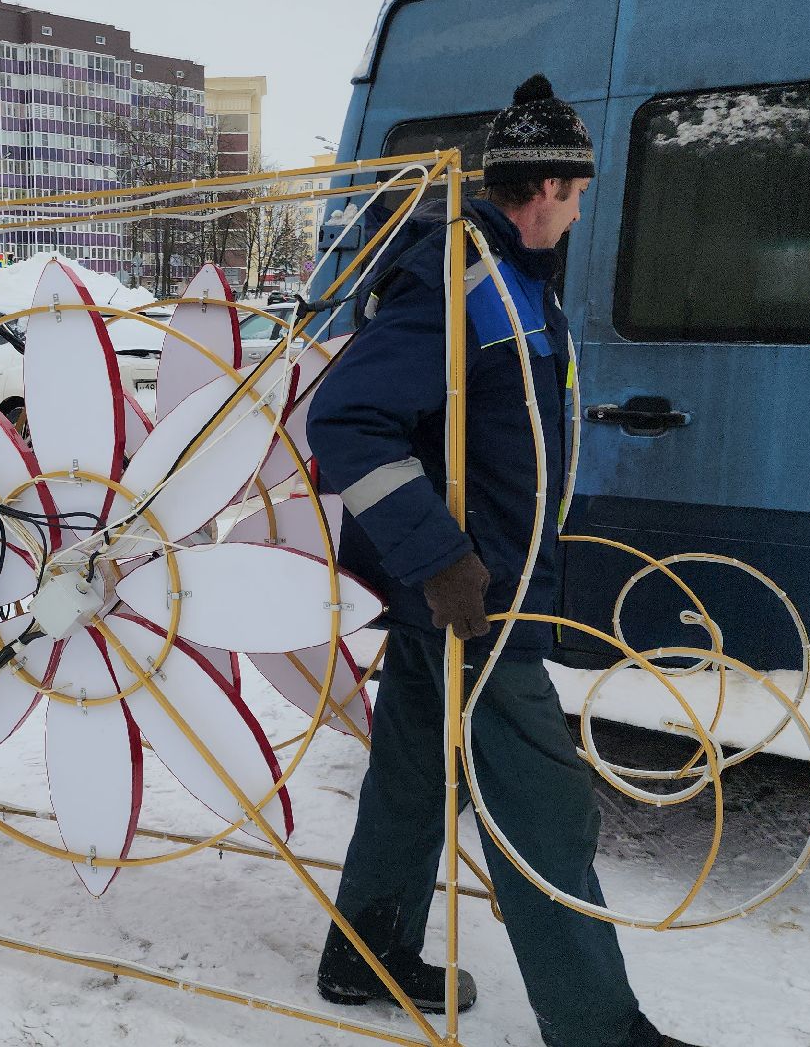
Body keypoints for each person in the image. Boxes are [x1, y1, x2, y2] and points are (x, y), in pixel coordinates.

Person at [306, 75, 698, 1047]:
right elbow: (345, 419)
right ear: (546, 189)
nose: (576, 210)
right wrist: (441, 561)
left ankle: (365, 952)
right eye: (574, 192)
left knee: (408, 780)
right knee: (544, 809)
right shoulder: (460, 276)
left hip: (461, 596)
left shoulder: (519, 282)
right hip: (473, 603)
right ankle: (597, 1027)